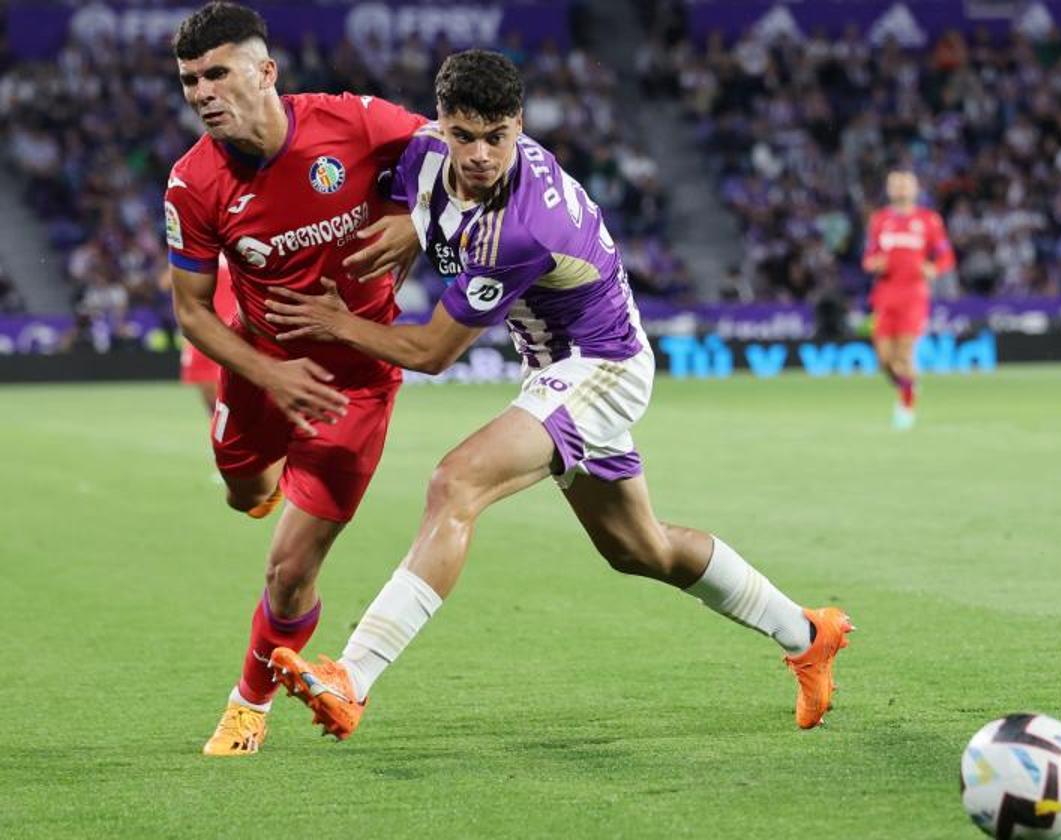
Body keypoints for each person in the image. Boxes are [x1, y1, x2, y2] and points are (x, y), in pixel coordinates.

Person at [262, 50, 854, 740]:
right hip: (554, 369)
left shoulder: (522, 227)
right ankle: (808, 633)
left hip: (602, 365)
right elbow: (418, 195)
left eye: (497, 137)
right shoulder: (423, 154)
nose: (480, 154)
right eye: (463, 135)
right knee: (640, 549)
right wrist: (412, 224)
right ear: (442, 125)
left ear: (520, 124)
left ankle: (352, 678)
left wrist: (339, 322)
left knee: (456, 482)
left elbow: (432, 352)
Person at [164, 2, 426, 756]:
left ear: (265, 71)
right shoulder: (193, 183)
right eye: (190, 81)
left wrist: (420, 222)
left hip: (358, 381)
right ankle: (269, 483)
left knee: (287, 571)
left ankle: (248, 706)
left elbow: (465, 154)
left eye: (218, 72)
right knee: (245, 493)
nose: (203, 92)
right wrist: (271, 374)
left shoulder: (353, 123)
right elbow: (192, 313)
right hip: (259, 370)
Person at [862, 169, 956, 429]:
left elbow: (946, 256)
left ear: (915, 189)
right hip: (884, 295)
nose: (901, 189)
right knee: (883, 360)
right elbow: (868, 258)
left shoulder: (929, 220)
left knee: (903, 356)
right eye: (896, 184)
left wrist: (934, 269)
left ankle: (906, 406)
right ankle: (909, 385)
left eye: (906, 184)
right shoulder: (879, 220)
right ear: (889, 189)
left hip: (913, 296)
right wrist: (874, 264)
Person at [162, 255, 237, 415]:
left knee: (230, 394)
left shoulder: (237, 248)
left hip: (231, 330)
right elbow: (165, 283)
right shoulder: (200, 250)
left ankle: (234, 432)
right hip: (203, 328)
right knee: (208, 393)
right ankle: (220, 431)